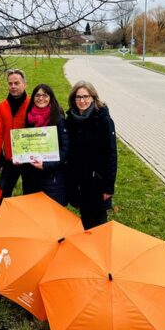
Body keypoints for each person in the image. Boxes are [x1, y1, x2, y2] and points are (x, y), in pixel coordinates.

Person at [66, 80, 117, 230]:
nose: (82, 101)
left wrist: (108, 186)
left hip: (98, 182)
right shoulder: (72, 120)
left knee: (99, 224)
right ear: (73, 99)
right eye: (78, 97)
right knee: (85, 220)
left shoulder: (103, 120)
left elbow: (111, 154)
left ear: (93, 97)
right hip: (80, 181)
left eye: (86, 97)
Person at [0, 69, 30, 206]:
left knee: (30, 195)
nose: (13, 86)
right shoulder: (2, 107)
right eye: (10, 83)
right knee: (2, 193)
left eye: (16, 83)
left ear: (24, 84)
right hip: (10, 159)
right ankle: (1, 219)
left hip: (29, 160)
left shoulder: (32, 105)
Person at [24, 84, 69, 206]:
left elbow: (65, 149)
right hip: (32, 176)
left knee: (51, 213)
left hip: (52, 177)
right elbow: (26, 144)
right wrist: (21, 157)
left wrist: (46, 165)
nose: (41, 98)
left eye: (45, 95)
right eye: (38, 95)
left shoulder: (58, 118)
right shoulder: (29, 117)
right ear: (33, 97)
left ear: (50, 97)